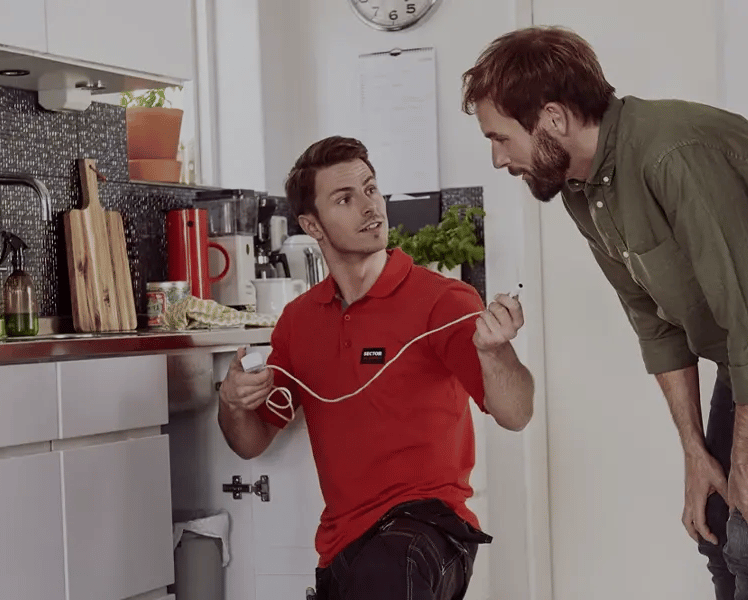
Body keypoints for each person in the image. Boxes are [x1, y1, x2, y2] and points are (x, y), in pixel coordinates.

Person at [461, 26, 748, 600]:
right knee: (714, 518)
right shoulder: (583, 189)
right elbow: (654, 324)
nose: (497, 158)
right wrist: (696, 452)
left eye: (500, 137)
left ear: (552, 118)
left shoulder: (673, 156)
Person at [217, 135, 536, 600]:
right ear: (312, 225)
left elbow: (517, 413)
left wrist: (497, 352)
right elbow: (251, 441)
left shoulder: (444, 301)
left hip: (430, 531)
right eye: (345, 199)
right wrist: (232, 403)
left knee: (391, 565)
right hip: (344, 546)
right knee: (371, 573)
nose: (370, 207)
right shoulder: (299, 323)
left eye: (370, 189)